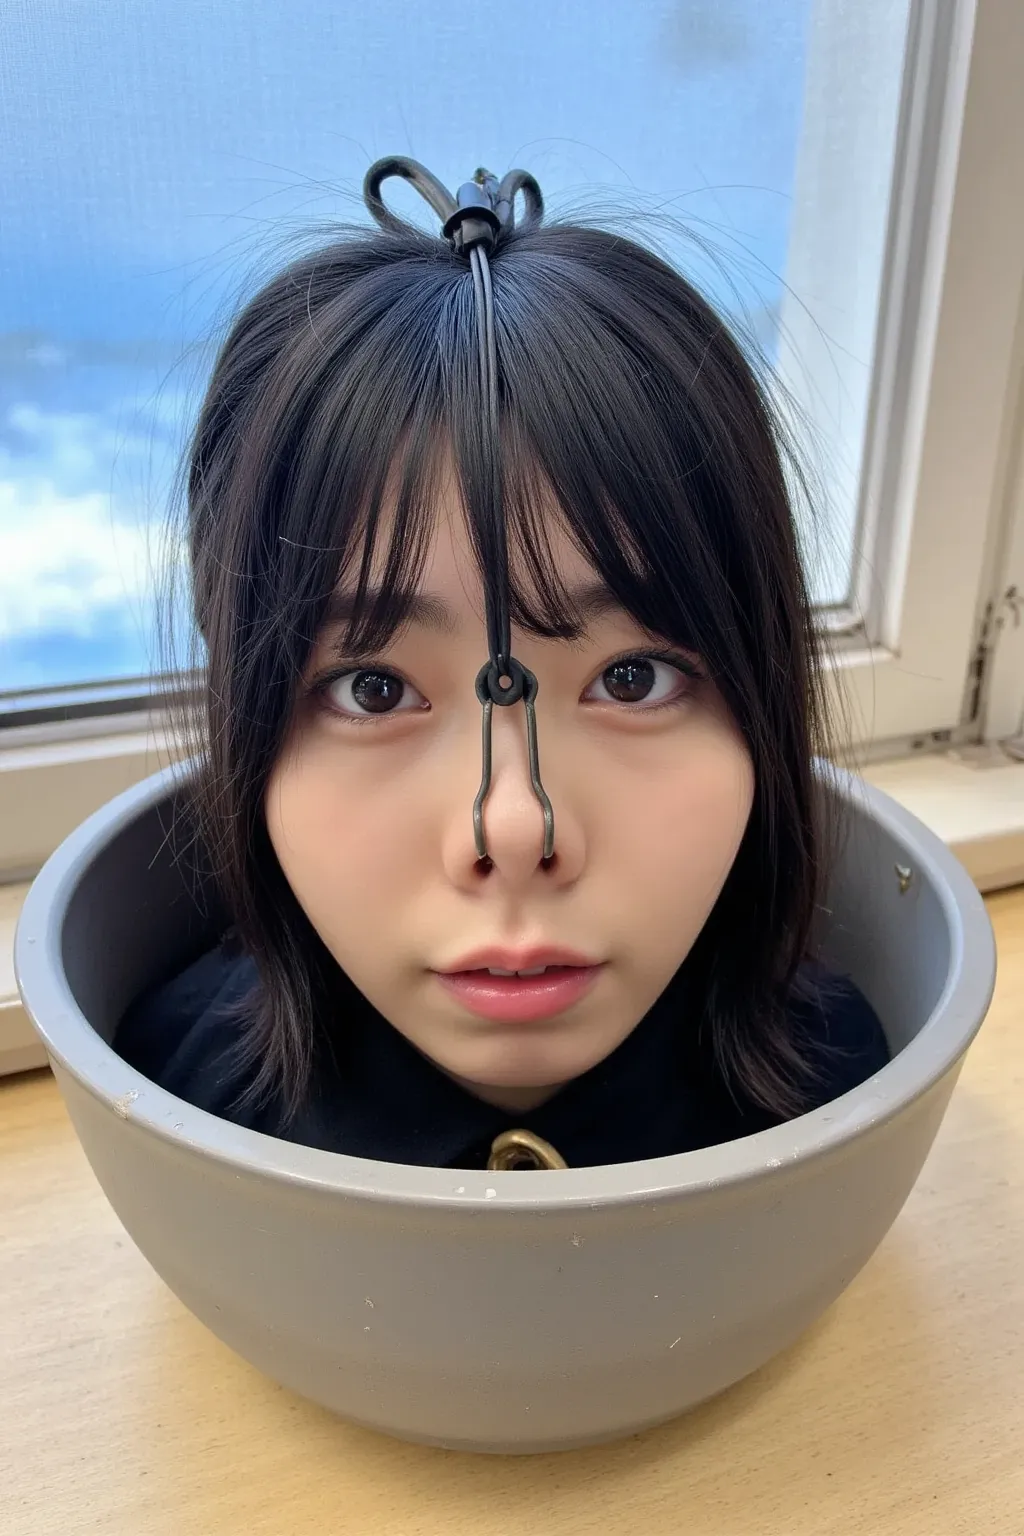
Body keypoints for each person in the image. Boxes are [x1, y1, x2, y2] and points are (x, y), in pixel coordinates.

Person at [115, 157, 889, 1171]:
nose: (515, 830)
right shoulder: (178, 1103)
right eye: (374, 687)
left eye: (631, 678)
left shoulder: (841, 1094)